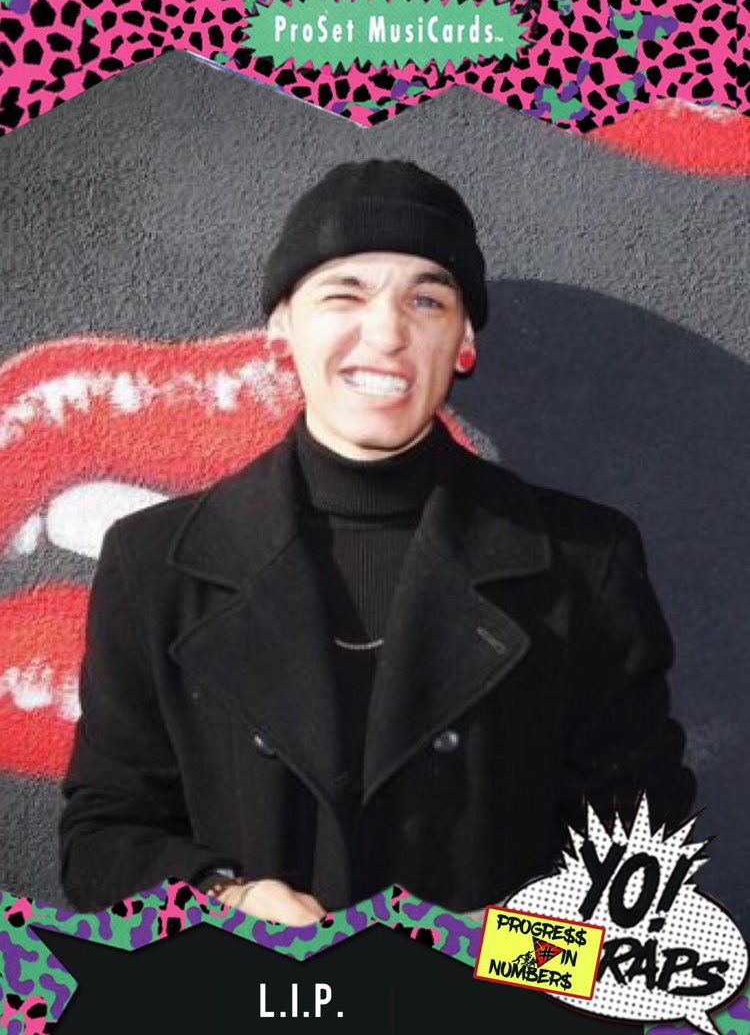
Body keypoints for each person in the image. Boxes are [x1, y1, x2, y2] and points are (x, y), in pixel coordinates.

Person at [59, 160, 696, 925]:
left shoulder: (584, 564)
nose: (388, 333)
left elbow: (639, 857)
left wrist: (478, 963)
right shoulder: (154, 564)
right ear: (282, 326)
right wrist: (227, 904)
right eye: (344, 294)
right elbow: (103, 838)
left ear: (463, 339)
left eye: (427, 299)